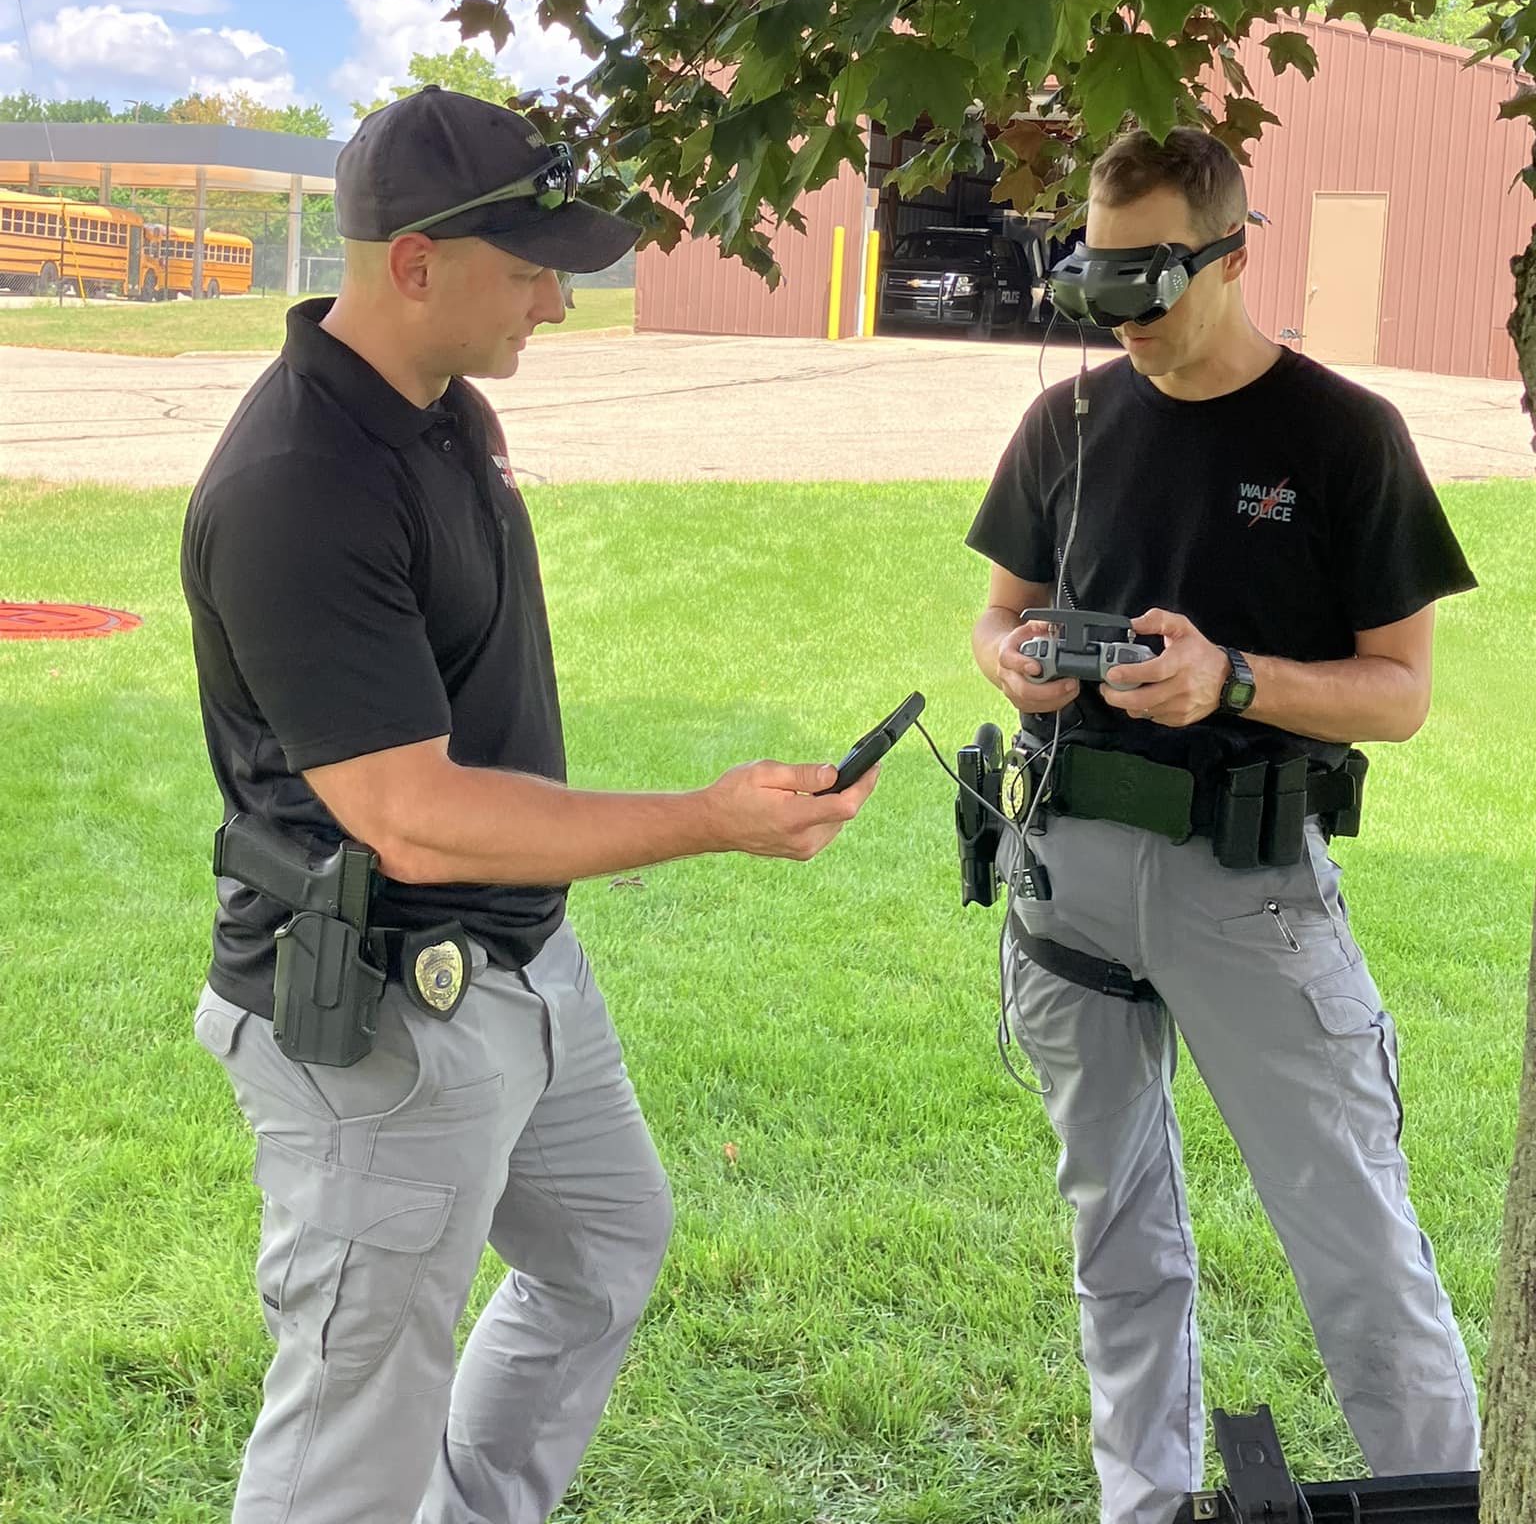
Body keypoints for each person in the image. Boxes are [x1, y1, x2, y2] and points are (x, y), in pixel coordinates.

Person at [181, 86, 877, 1524]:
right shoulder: (299, 483)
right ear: (416, 263)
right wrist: (707, 816)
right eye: (531, 267)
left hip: (519, 969)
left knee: (606, 1245)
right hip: (383, 1011)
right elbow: (412, 815)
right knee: (352, 1416)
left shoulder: (442, 408)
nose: (560, 300)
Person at [965, 126, 1480, 1524]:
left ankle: (1440, 1502)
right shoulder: (1068, 418)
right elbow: (998, 611)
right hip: (1065, 877)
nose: (1122, 318)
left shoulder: (1341, 435)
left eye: (1151, 282)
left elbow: (1403, 692)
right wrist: (1008, 657)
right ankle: (1148, 1503)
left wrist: (1235, 678)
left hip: (1247, 885)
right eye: (1098, 283)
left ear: (1235, 253)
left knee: (1354, 1239)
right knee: (1115, 1236)